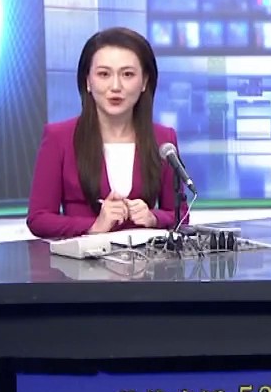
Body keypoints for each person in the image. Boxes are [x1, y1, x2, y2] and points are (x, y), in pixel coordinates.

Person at [26, 27, 184, 239]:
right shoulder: (59, 137)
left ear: (145, 81)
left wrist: (154, 218)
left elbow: (180, 215)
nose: (115, 86)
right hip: (83, 259)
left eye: (127, 74)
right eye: (104, 74)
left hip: (146, 258)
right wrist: (94, 225)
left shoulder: (164, 140)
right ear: (88, 81)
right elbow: (39, 218)